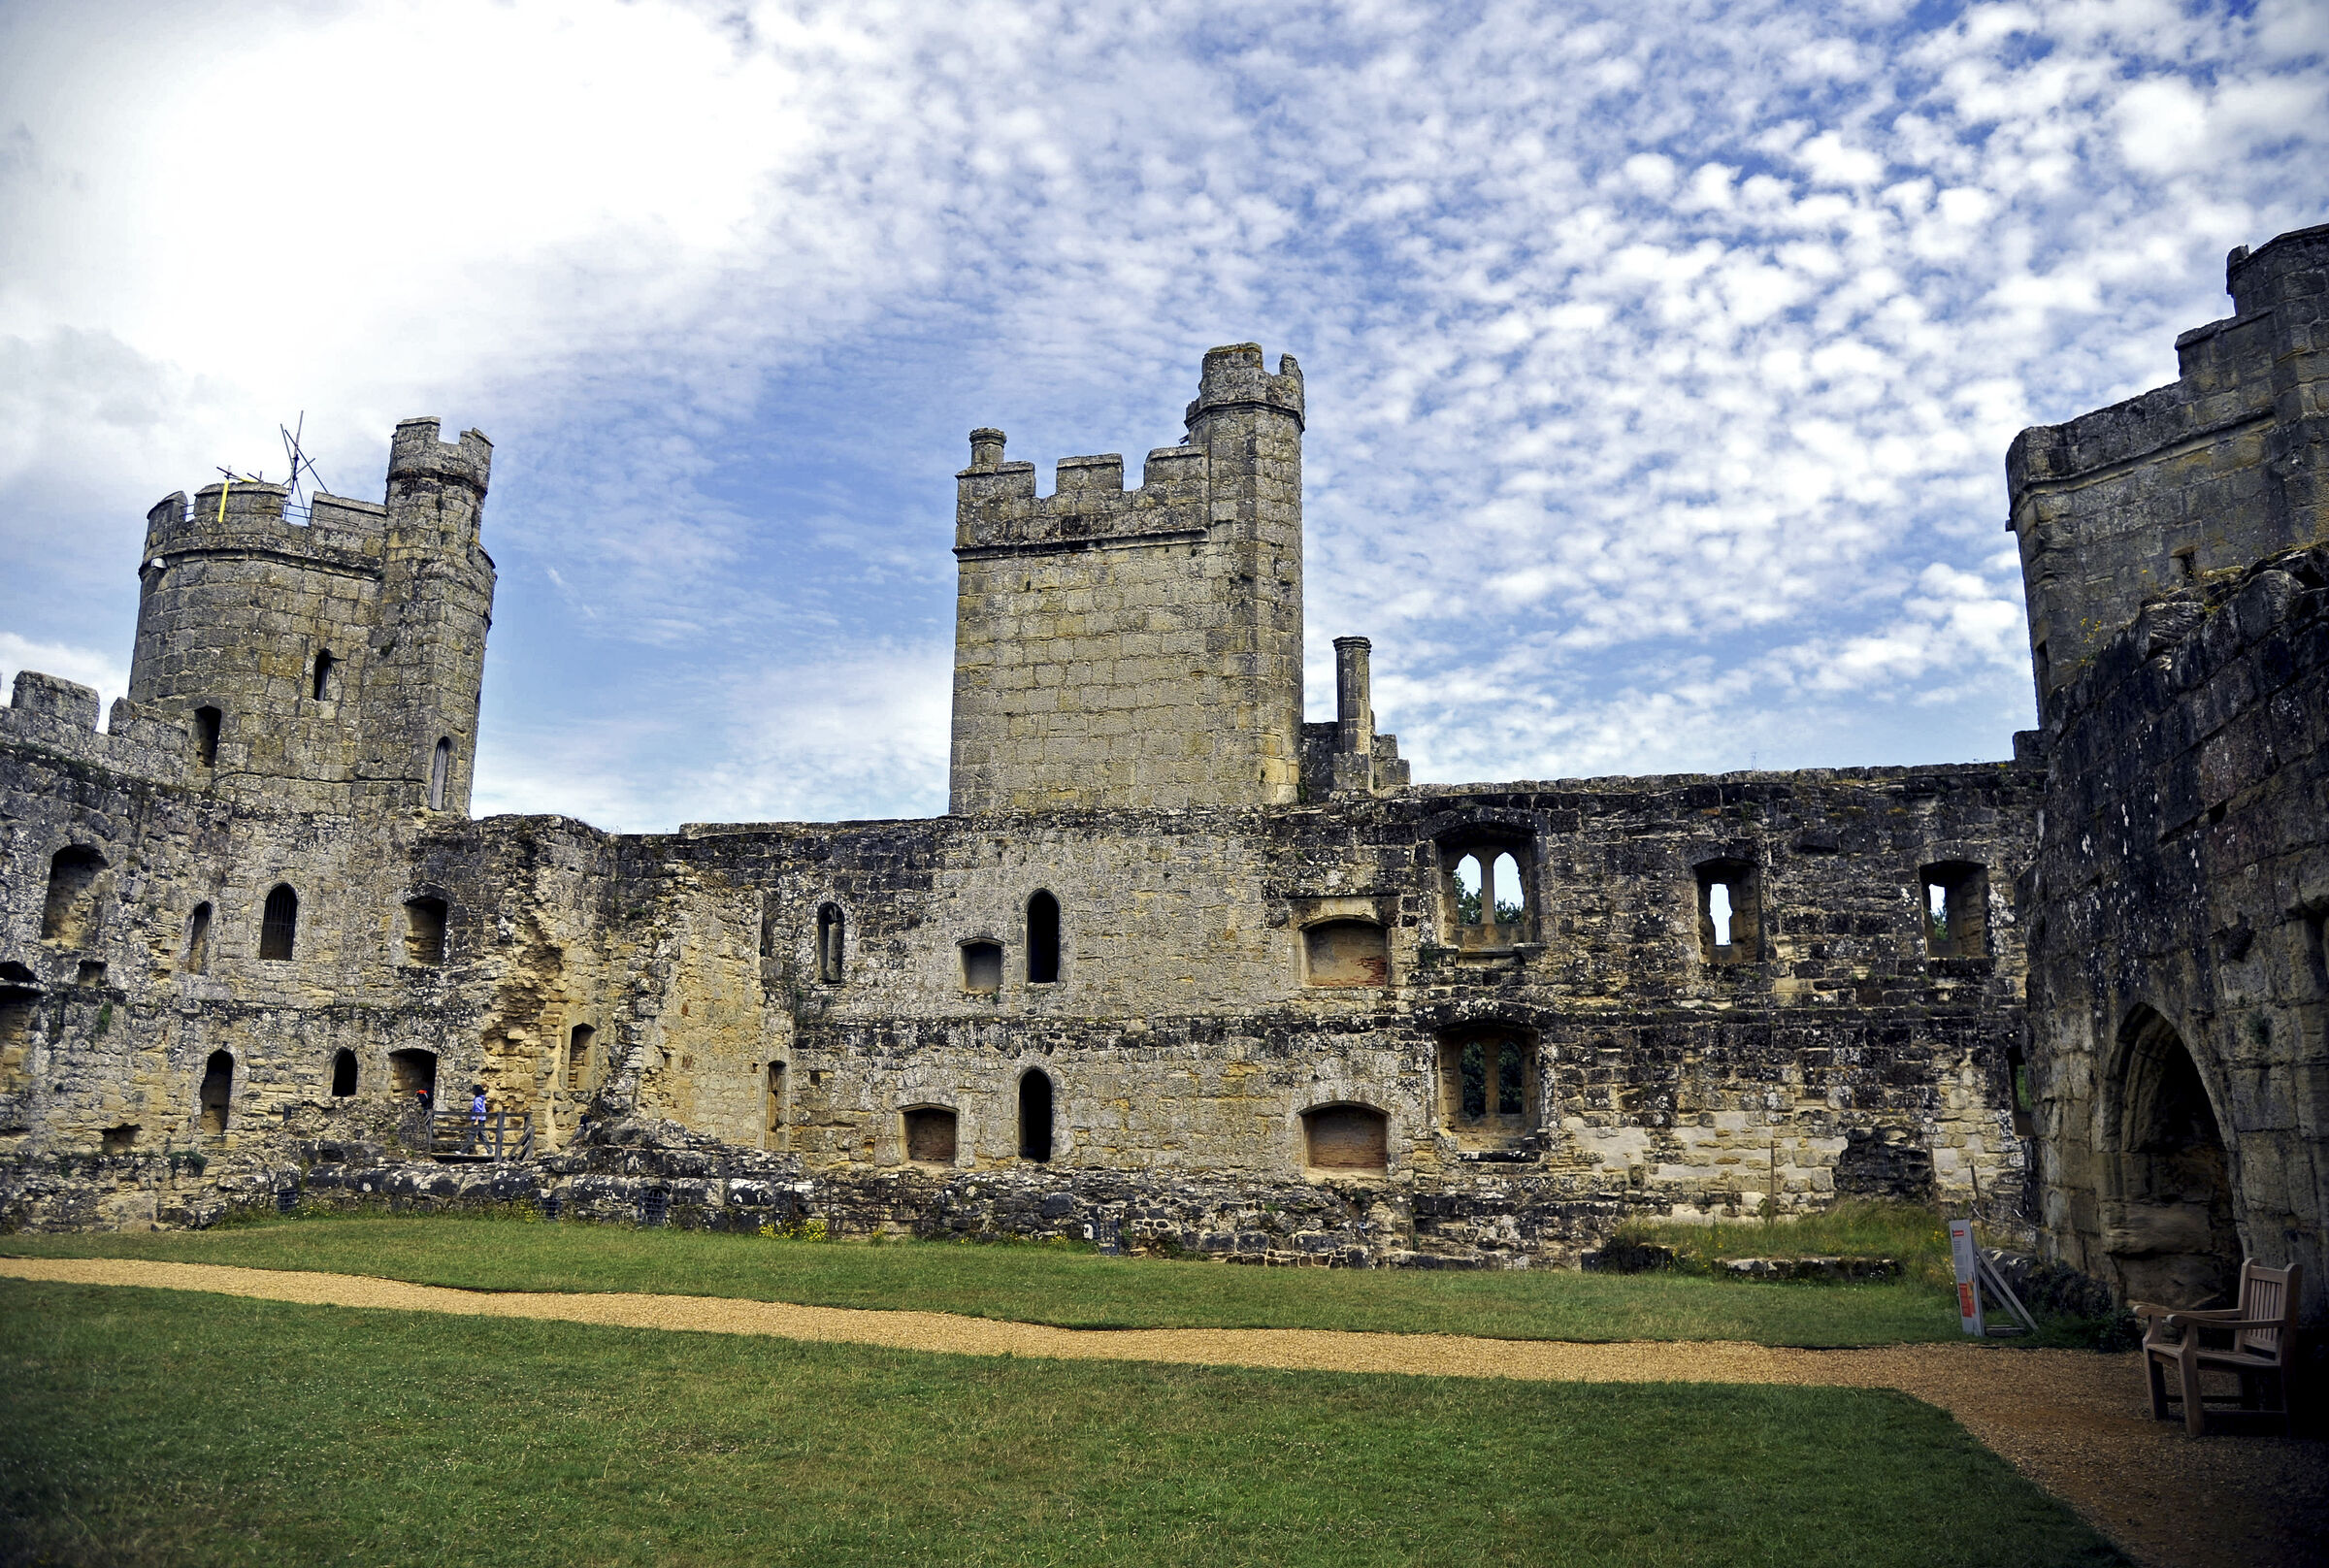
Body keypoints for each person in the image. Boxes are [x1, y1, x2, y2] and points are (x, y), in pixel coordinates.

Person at [469, 1084, 488, 1152]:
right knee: (482, 1136)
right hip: (482, 1118)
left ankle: (464, 1151)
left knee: (472, 1135)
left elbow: (478, 1110)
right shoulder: (482, 1098)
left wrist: (476, 1120)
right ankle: (490, 1150)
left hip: (478, 1119)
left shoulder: (477, 1099)